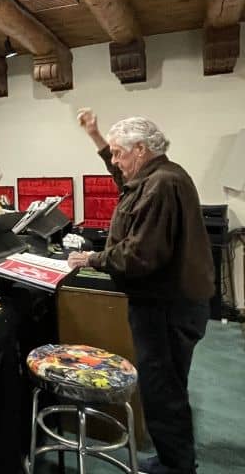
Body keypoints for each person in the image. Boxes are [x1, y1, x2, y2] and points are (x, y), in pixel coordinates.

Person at [68, 108, 213, 474]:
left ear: (142, 150)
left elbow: (141, 254)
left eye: (119, 153)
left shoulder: (161, 183)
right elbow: (123, 179)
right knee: (166, 386)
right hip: (172, 302)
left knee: (163, 389)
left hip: (166, 306)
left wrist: (92, 258)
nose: (114, 161)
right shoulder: (157, 175)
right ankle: (172, 457)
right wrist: (97, 137)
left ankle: (177, 466)